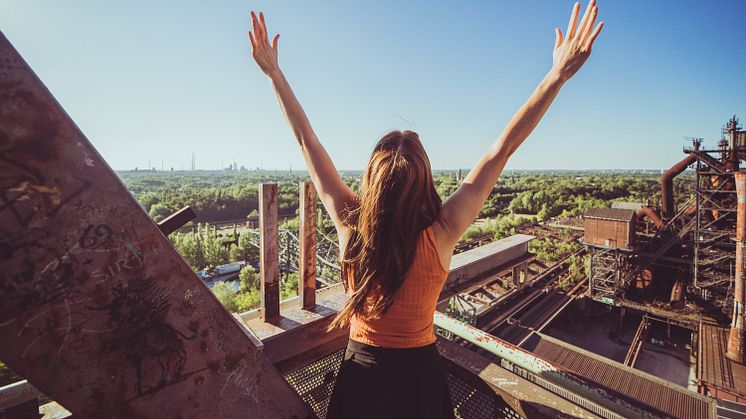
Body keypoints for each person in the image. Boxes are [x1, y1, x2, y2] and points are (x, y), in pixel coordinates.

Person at [248, 2, 603, 418]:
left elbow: (308, 143)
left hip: (361, 377)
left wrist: (275, 74)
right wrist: (556, 76)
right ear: (424, 180)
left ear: (371, 180)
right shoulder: (443, 230)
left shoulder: (350, 225)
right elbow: (501, 150)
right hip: (420, 379)